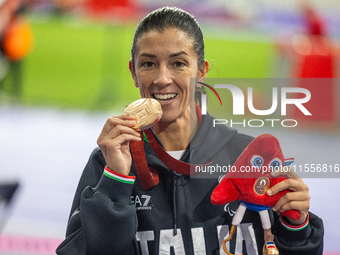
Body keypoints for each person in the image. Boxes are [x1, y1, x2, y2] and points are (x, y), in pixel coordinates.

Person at [56, 7, 323, 255]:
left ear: (202, 71)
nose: (162, 79)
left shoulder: (247, 156)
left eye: (178, 64)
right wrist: (116, 181)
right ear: (133, 72)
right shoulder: (109, 161)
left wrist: (296, 225)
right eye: (148, 64)